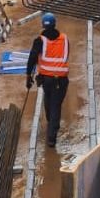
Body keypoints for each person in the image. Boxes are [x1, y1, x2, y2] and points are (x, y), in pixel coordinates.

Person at [25, 12, 69, 148]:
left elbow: (32, 57)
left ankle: (51, 133)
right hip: (61, 80)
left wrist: (28, 76)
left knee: (50, 104)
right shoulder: (64, 39)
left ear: (43, 25)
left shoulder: (39, 40)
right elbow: (65, 56)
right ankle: (52, 132)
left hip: (46, 79)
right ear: (55, 24)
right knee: (55, 105)